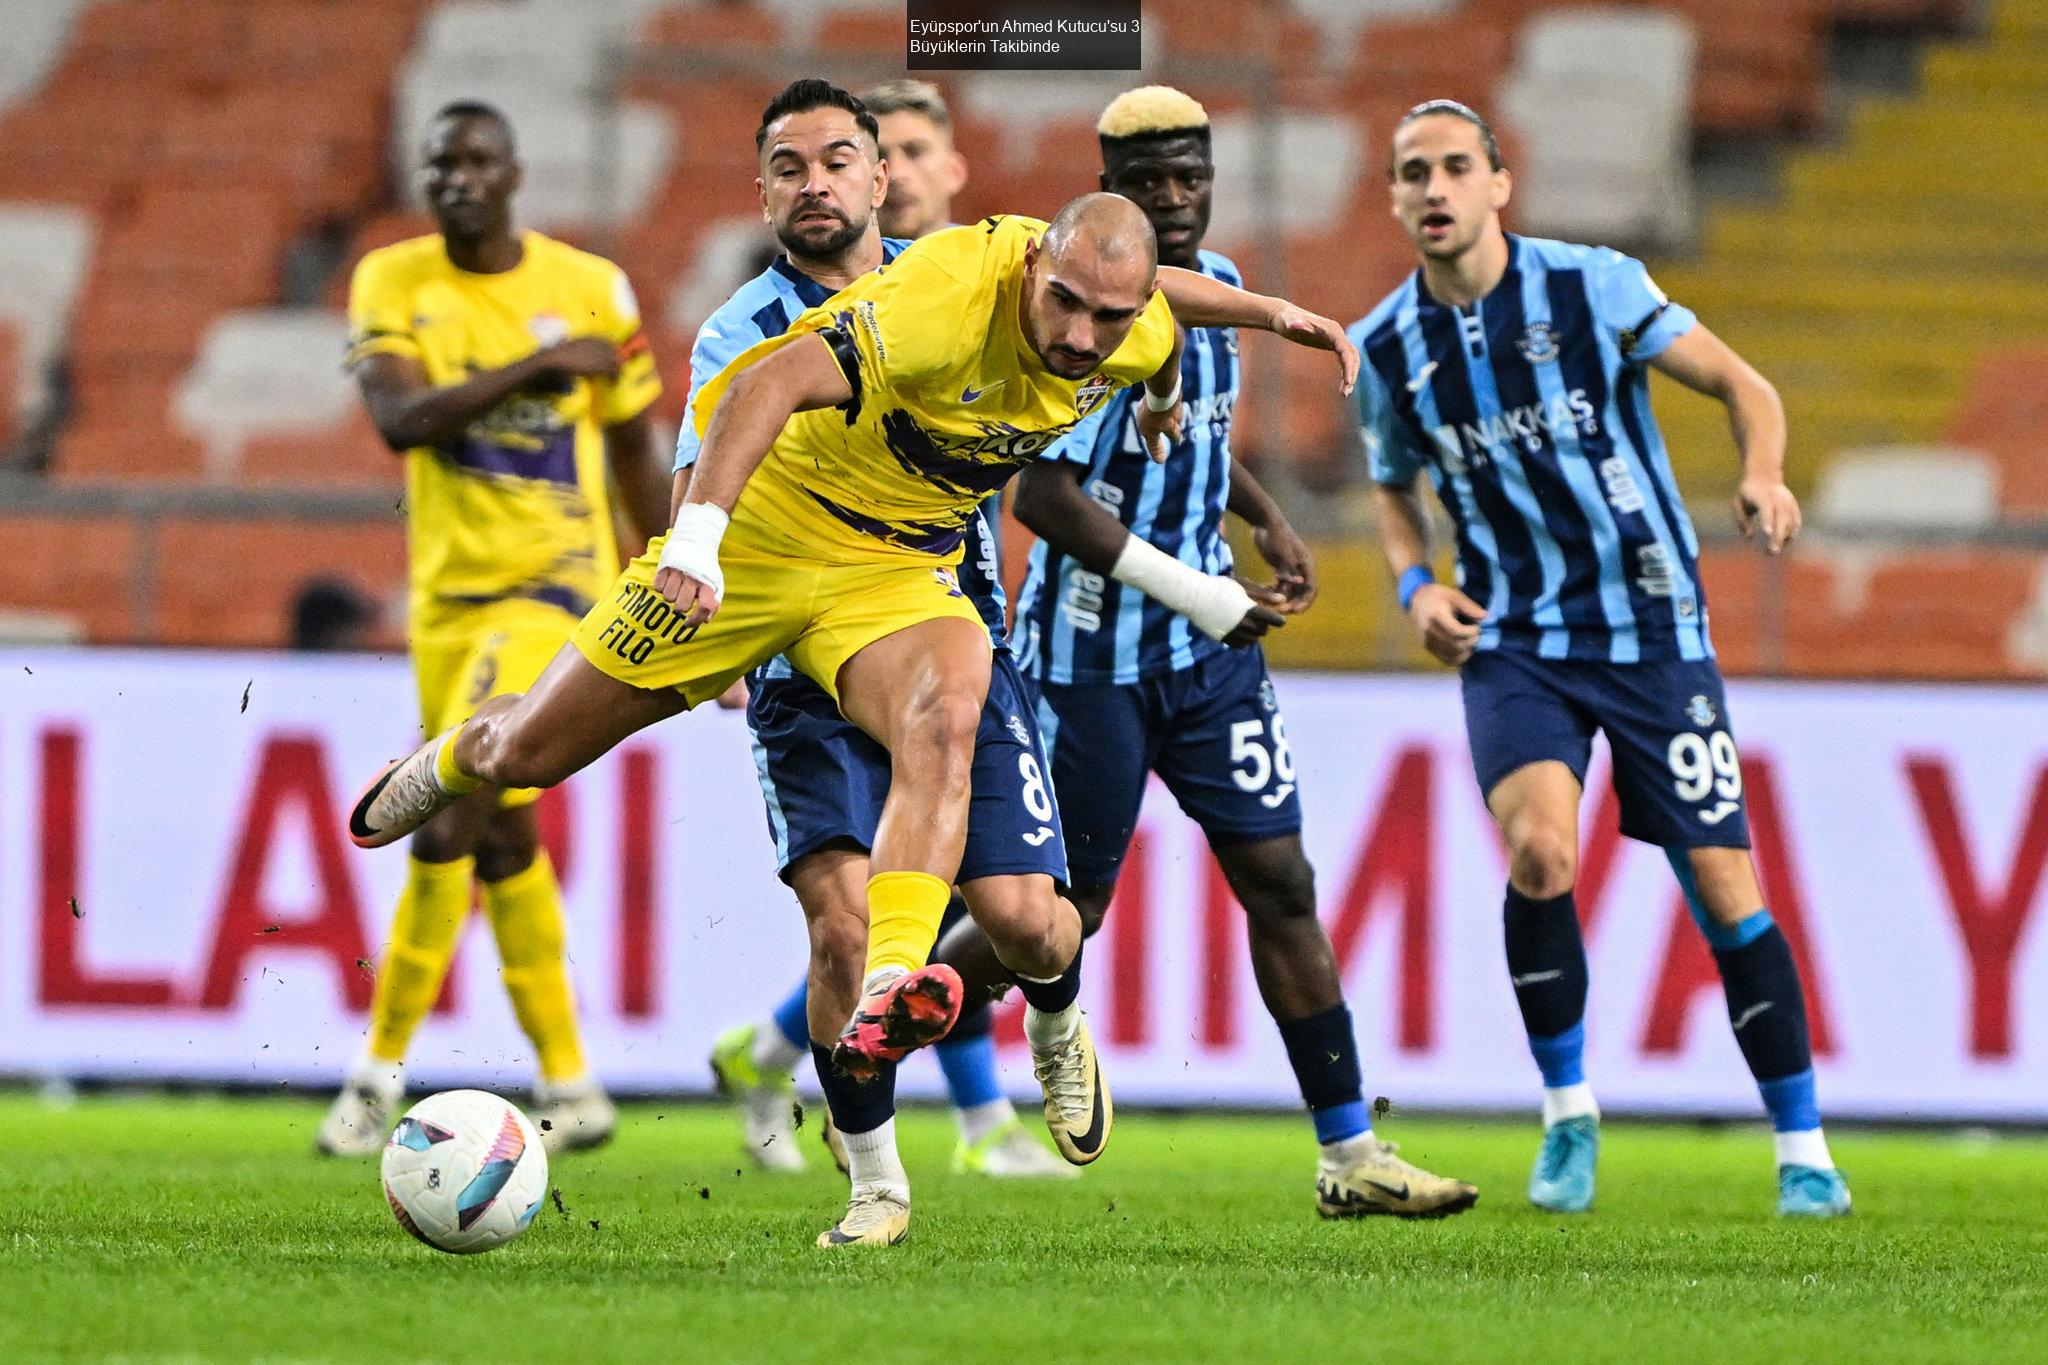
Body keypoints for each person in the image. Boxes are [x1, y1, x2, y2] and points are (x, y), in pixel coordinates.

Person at [344, 140, 1357, 1231]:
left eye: (1104, 320)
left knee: (949, 710)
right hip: (759, 553)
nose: (1077, 337)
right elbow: (771, 379)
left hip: (891, 574)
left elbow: (1162, 306)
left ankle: (892, 994)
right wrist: (696, 538)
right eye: (1061, 304)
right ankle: (454, 754)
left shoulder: (1124, 323)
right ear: (1030, 273)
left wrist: (1261, 325)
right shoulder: (939, 298)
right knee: (526, 759)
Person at [1353, 100, 1850, 1218]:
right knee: (1539, 854)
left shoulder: (1593, 287)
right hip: (1514, 639)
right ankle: (1567, 1114)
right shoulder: (1385, 345)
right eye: (1409, 173)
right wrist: (1413, 582)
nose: (1432, 189)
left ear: (1496, 184)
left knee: (1723, 892)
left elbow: (1742, 385)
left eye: (1451, 169)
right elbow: (1390, 485)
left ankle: (1802, 1145)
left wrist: (1763, 473)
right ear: (1390, 198)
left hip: (1652, 631)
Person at [1000, 85, 1478, 1220]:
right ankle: (858, 1036)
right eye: (1147, 180)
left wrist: (1253, 513)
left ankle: (1351, 1152)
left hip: (1208, 662)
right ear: (1107, 182)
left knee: (1281, 880)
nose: (1170, 199)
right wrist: (1195, 586)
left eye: (1187, 177)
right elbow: (1045, 494)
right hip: (1088, 663)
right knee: (1059, 918)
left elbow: (1188, 446)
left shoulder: (1208, 293)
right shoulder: (1078, 307)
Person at [699, 81, 1073, 1199]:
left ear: (897, 176)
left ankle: (774, 1054)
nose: (821, 184)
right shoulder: (741, 330)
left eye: (855, 159)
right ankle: (895, 1164)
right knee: (855, 927)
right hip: (802, 657)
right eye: (790, 166)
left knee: (998, 915)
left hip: (950, 642)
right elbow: (699, 475)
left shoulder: (958, 290)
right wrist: (703, 601)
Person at [316, 101, 670, 1158]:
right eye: (441, 163)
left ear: (516, 172)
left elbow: (634, 452)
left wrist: (675, 590)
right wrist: (539, 368)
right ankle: (572, 1085)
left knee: (452, 810)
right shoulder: (394, 279)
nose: (458, 176)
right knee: (504, 835)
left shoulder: (589, 287)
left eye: (478, 160)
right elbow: (398, 420)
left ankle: (375, 1075)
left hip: (559, 591)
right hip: (447, 599)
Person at [864, 78, 969, 241]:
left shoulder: (997, 262)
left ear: (955, 172)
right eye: (877, 156)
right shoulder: (818, 264)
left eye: (915, 152)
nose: (895, 174)